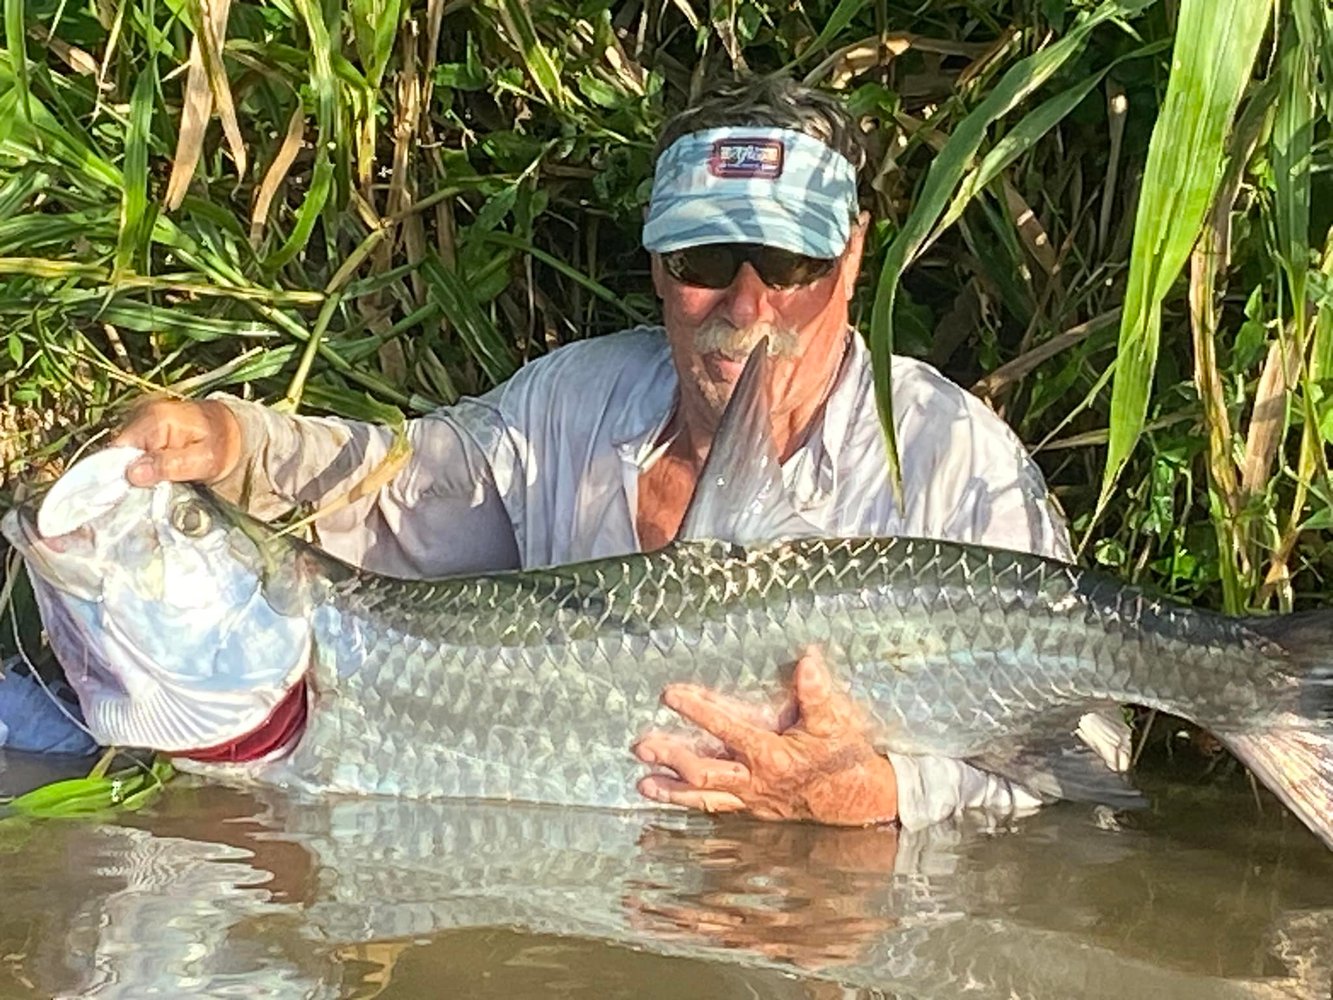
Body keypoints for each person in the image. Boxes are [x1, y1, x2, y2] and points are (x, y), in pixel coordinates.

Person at [108, 75, 1124, 829]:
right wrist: (236, 442)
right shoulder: (571, 402)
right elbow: (398, 489)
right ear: (655, 260)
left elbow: (1094, 753)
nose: (746, 304)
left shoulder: (956, 459)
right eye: (704, 261)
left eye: (789, 263)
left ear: (852, 253)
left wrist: (875, 794)